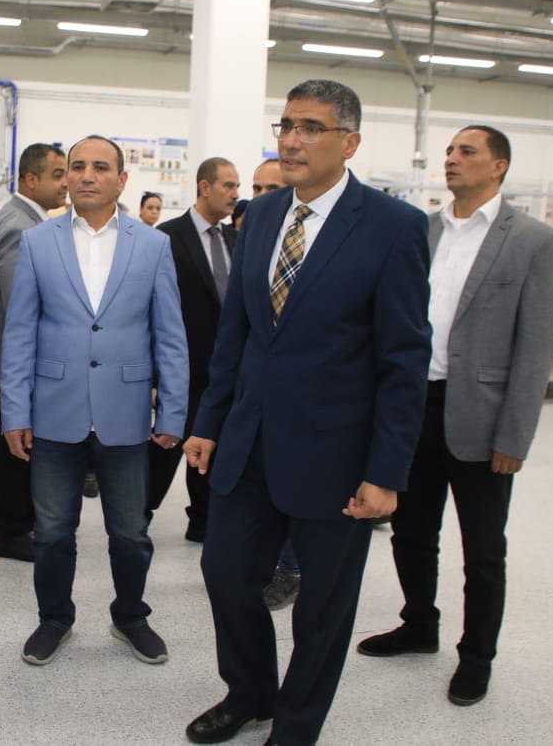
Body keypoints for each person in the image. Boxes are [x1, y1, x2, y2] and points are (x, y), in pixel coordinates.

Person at [182, 79, 431, 746]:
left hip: (336, 455)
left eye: (311, 128)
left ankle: (295, 728)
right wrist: (209, 420)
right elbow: (237, 332)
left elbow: (404, 361)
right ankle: (250, 692)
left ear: (349, 142)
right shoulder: (261, 215)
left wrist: (386, 472)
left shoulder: (394, 227)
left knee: (321, 606)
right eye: (287, 124)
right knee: (225, 573)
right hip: (250, 442)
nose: (292, 140)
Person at [356, 125, 553, 707]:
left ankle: (477, 657)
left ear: (499, 166)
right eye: (449, 151)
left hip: (482, 416)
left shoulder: (534, 240)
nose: (451, 159)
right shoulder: (420, 231)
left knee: (484, 551)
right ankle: (419, 624)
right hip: (411, 407)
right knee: (411, 532)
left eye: (466, 152)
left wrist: (514, 435)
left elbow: (535, 349)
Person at [0, 134, 189, 668]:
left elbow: (170, 335)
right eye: (77, 166)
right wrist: (14, 411)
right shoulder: (38, 241)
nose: (87, 175)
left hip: (125, 412)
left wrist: (173, 411)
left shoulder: (152, 245)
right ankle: (53, 619)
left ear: (121, 180)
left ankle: (130, 617)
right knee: (51, 532)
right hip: (53, 410)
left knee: (130, 532)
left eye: (100, 167)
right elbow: (20, 332)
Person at [0, 142, 68, 562]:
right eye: (58, 175)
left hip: (31, 361)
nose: (66, 183)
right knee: (15, 444)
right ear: (31, 179)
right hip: (23, 361)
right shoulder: (20, 226)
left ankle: (22, 522)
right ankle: (11, 531)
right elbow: (23, 304)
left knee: (22, 442)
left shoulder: (31, 220)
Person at [148, 156, 238, 543]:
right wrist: (155, 376)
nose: (236, 194)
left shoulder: (236, 239)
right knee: (165, 448)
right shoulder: (168, 237)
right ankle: (136, 515)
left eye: (237, 186)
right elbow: (150, 310)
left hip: (224, 370)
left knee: (212, 445)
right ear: (205, 186)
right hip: (180, 369)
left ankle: (202, 519)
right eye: (228, 185)